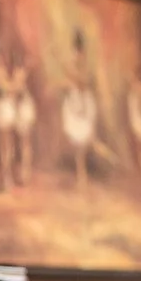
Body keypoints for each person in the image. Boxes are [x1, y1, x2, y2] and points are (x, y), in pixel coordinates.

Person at [60, 28, 98, 192]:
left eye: (80, 48)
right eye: (77, 48)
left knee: (85, 138)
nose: (79, 52)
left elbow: (87, 80)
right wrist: (74, 80)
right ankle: (80, 173)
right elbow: (70, 80)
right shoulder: (72, 61)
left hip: (84, 98)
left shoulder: (85, 63)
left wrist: (80, 80)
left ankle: (83, 173)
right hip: (75, 99)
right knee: (78, 142)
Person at [0, 51, 17, 191]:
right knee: (5, 146)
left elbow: (8, 90)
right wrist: (16, 83)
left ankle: (7, 177)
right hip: (3, 112)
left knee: (7, 145)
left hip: (5, 110)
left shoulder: (0, 74)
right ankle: (6, 178)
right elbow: (7, 89)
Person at [12, 56, 36, 184]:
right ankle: (24, 172)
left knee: (25, 143)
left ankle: (26, 172)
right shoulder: (21, 74)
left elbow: (16, 90)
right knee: (24, 143)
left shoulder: (20, 75)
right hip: (21, 110)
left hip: (24, 110)